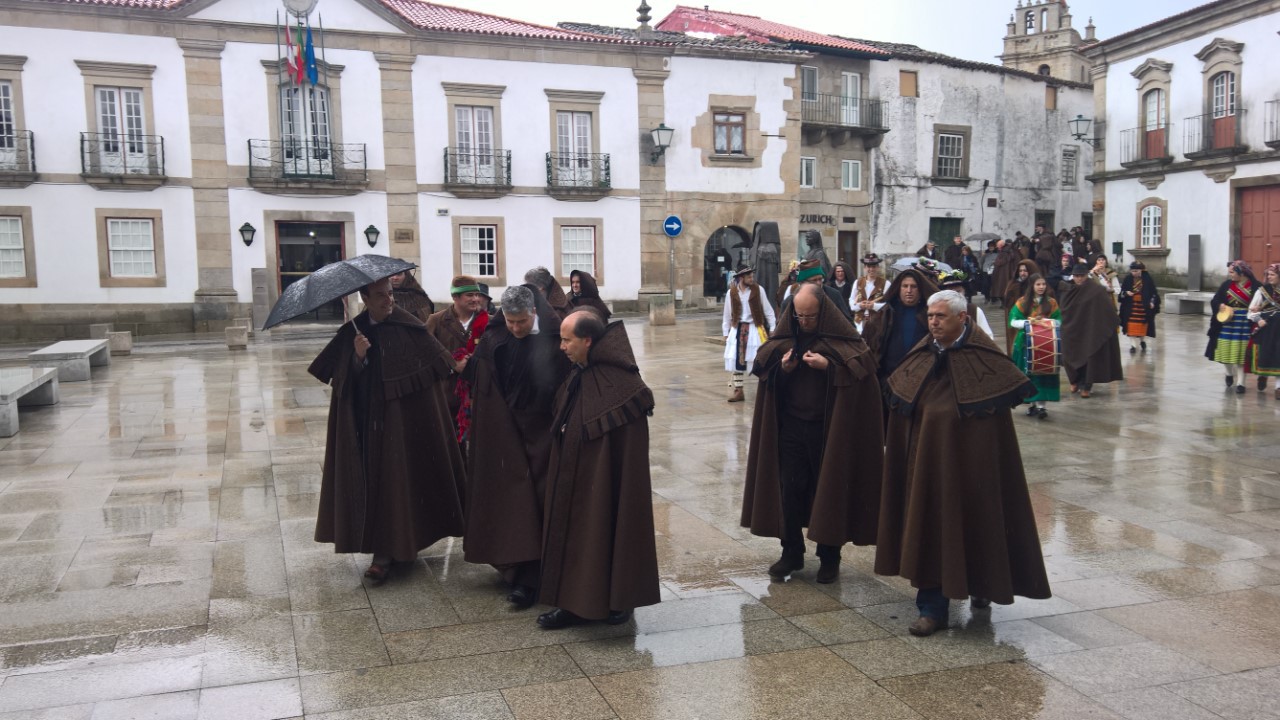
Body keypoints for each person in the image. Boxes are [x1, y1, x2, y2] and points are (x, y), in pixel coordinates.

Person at [876, 289, 1049, 636]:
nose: (933, 322)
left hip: (974, 472)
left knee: (978, 522)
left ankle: (982, 586)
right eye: (930, 315)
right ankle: (932, 606)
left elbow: (994, 425)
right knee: (929, 525)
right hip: (927, 469)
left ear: (963, 318)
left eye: (940, 316)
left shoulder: (986, 359)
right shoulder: (922, 353)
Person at [307, 277, 466, 585]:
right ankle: (383, 551)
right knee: (375, 484)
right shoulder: (352, 333)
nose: (388, 300)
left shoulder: (410, 328)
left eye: (390, 294)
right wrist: (358, 358)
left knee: (403, 483)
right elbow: (342, 384)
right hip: (367, 426)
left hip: (406, 427)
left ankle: (403, 544)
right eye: (380, 295)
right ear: (364, 298)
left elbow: (437, 371)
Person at [741, 285, 883, 583]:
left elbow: (861, 374)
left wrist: (829, 368)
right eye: (799, 315)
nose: (804, 321)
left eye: (810, 316)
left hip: (828, 431)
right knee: (789, 491)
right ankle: (791, 551)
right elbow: (767, 371)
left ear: (824, 313)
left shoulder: (844, 342)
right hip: (792, 428)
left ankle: (829, 557)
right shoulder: (784, 339)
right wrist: (784, 369)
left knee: (828, 490)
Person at [537, 311, 660, 629]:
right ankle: (572, 602)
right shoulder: (580, 372)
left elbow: (627, 451)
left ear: (587, 340)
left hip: (603, 481)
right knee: (576, 536)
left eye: (567, 340)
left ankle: (618, 600)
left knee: (606, 531)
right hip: (575, 475)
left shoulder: (623, 384)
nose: (561, 347)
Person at [463, 285, 571, 608]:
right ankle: (518, 571)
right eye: (510, 321)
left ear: (533, 313)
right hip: (508, 431)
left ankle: (543, 574)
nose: (515, 328)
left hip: (544, 431)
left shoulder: (555, 339)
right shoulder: (496, 337)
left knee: (541, 501)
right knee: (514, 503)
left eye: (521, 322)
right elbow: (482, 381)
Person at [426, 276, 491, 440]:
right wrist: (451, 365)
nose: (476, 299)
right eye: (469, 295)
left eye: (477, 294)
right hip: (447, 395)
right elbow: (424, 356)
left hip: (479, 395)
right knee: (451, 446)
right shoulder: (436, 321)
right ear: (455, 297)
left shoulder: (489, 321)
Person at [863, 268, 941, 382]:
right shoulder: (885, 314)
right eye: (905, 286)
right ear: (898, 289)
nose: (909, 290)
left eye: (913, 286)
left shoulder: (929, 315)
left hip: (922, 378)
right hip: (889, 378)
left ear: (920, 290)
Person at [1058, 263, 1124, 398]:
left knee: (1089, 358)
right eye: (1076, 276)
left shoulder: (1096, 290)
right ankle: (1075, 381)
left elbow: (1107, 309)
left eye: (1081, 276)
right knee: (1069, 356)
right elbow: (1064, 309)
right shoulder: (1068, 290)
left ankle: (1086, 385)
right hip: (1072, 330)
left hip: (1090, 329)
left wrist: (1105, 324)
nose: (1079, 279)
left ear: (1086, 276)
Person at [1009, 275, 1061, 419]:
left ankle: (1041, 406)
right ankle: (1032, 404)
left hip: (1046, 344)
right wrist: (1029, 323)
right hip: (1025, 343)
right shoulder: (1022, 302)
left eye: (1043, 284)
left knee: (1043, 374)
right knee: (1028, 375)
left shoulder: (1051, 302)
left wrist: (1046, 322)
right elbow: (1013, 321)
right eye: (1038, 284)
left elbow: (1058, 320)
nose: (1041, 287)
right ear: (1032, 286)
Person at [723, 265, 777, 403]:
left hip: (755, 328)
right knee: (736, 360)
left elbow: (768, 310)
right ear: (742, 278)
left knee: (759, 359)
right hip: (737, 328)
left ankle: (765, 389)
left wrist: (772, 327)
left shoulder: (759, 290)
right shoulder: (732, 293)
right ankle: (739, 390)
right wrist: (725, 332)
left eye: (752, 276)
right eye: (749, 276)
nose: (752, 278)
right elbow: (727, 314)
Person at [1207, 260, 1259, 394]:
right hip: (1228, 322)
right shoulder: (1226, 285)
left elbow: (1263, 303)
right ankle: (1229, 373)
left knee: (1241, 353)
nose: (1230, 275)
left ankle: (1241, 383)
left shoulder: (1256, 286)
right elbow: (1215, 299)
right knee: (1225, 349)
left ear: (1241, 273)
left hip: (1245, 324)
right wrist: (1220, 305)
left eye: (1232, 272)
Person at [782, 259, 855, 324]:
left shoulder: (834, 295)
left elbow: (848, 323)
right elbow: (782, 330)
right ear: (802, 283)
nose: (819, 283)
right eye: (814, 280)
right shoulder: (790, 302)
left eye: (820, 279)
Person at [1247, 264, 1280, 398]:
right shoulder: (1262, 291)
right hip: (1266, 328)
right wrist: (1258, 318)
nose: (1269, 277)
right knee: (1266, 354)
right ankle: (1263, 375)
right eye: (1268, 274)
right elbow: (1250, 311)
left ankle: (1279, 388)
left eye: (1272, 274)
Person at [1119, 261, 1160, 353]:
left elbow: (1154, 293)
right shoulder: (1128, 279)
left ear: (1141, 270)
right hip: (1131, 306)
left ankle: (1142, 340)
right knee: (1130, 325)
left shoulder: (1147, 279)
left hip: (1143, 306)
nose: (1134, 273)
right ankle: (1133, 345)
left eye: (1136, 271)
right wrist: (1126, 293)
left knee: (1142, 324)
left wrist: (1152, 302)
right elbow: (1121, 292)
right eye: (1133, 271)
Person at [937, 271, 993, 338]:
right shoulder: (937, 312)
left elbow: (988, 337)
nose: (955, 295)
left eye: (958, 291)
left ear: (964, 292)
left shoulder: (974, 310)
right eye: (950, 292)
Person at [1002, 259, 1039, 353]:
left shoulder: (1038, 285)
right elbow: (1008, 303)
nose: (1022, 273)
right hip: (1016, 322)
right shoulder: (1013, 284)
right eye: (1020, 271)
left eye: (1025, 271)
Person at [852, 253, 887, 330]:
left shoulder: (886, 283)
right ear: (864, 268)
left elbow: (888, 305)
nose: (871, 269)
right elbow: (851, 301)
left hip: (877, 323)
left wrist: (874, 306)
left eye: (874, 266)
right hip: (859, 323)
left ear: (878, 268)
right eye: (868, 266)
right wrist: (859, 305)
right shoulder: (857, 282)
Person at [989, 240, 1018, 307]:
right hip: (1003, 273)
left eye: (998, 245)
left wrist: (996, 262)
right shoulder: (1006, 251)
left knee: (1002, 288)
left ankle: (1004, 303)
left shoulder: (1005, 252)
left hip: (1003, 274)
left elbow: (1001, 261)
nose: (997, 247)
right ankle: (1004, 303)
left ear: (1001, 245)